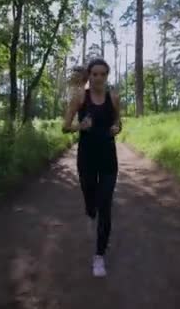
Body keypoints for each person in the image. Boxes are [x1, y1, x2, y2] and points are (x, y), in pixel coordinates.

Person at [62, 58, 122, 277]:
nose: (98, 78)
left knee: (105, 205)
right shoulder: (80, 97)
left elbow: (118, 123)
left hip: (108, 159)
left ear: (107, 76)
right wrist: (80, 126)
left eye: (102, 74)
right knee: (91, 200)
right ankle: (90, 211)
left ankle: (99, 256)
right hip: (86, 158)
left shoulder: (113, 97)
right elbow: (65, 127)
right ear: (89, 76)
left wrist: (117, 128)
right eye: (94, 74)